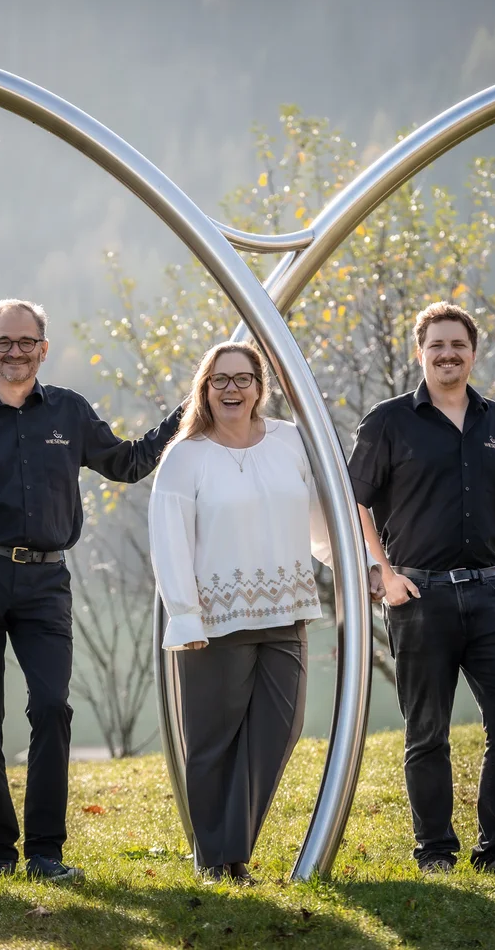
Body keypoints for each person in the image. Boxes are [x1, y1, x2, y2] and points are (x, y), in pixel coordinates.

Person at [0, 299, 184, 882]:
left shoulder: (69, 412)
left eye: (25, 341)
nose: (15, 351)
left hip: (45, 580)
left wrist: (188, 412)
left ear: (43, 347)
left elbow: (130, 463)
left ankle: (45, 851)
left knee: (52, 707)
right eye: (3, 342)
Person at [349, 300, 495, 874]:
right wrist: (383, 574)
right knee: (426, 729)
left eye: (458, 345)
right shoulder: (388, 421)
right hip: (418, 595)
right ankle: (435, 851)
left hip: (488, 592)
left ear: (473, 354)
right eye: (437, 345)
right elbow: (352, 500)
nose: (447, 354)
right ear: (420, 352)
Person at [148, 342, 331, 884]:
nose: (232, 389)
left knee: (279, 730)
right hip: (213, 620)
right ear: (204, 389)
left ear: (259, 387)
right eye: (219, 380)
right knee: (212, 742)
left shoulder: (291, 442)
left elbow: (320, 518)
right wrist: (185, 617)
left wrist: (359, 569)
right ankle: (219, 862)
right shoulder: (186, 456)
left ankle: (230, 849)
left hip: (285, 610)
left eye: (243, 378)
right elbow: (169, 540)